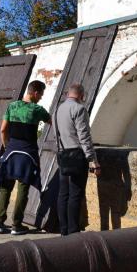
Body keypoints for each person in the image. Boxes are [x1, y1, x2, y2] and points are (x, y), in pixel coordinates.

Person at [0, 80, 51, 236]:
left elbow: (3, 130)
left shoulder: (12, 106)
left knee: (5, 187)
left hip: (11, 152)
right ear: (35, 93)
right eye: (41, 94)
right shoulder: (38, 109)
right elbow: (53, 122)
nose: (41, 98)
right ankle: (16, 225)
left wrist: (7, 147)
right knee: (22, 189)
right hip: (28, 154)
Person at [55, 84, 101, 236]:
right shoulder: (79, 109)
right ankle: (73, 230)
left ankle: (63, 230)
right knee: (75, 194)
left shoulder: (58, 109)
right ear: (81, 95)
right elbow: (84, 137)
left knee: (63, 194)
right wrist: (92, 160)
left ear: (68, 94)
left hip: (63, 154)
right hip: (76, 156)